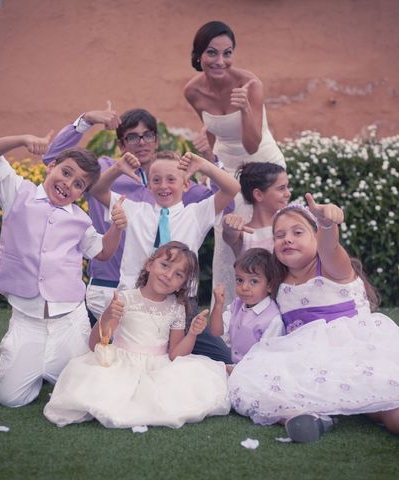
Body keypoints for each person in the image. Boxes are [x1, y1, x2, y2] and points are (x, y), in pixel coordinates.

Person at [228, 195, 399, 459]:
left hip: (355, 349)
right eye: (279, 235)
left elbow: (331, 247)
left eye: (298, 232)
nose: (287, 239)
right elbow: (242, 259)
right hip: (308, 355)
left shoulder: (330, 266)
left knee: (382, 400)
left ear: (316, 238)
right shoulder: (279, 279)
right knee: (279, 389)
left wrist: (328, 224)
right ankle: (311, 420)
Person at [43, 104, 232, 363]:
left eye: (148, 135)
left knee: (207, 357)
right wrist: (86, 120)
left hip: (176, 299)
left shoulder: (178, 178)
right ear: (121, 144)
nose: (141, 142)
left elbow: (227, 200)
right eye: (132, 136)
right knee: (87, 359)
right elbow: (53, 161)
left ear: (156, 140)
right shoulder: (107, 172)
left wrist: (210, 160)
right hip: (116, 293)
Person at [0, 132, 126, 408]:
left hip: (69, 321)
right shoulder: (16, 193)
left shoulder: (80, 220)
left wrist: (117, 226)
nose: (68, 184)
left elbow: (104, 252)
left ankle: (57, 368)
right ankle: (36, 365)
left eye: (78, 184)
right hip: (26, 319)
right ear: (51, 166)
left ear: (82, 193)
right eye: (65, 172)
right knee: (11, 399)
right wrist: (22, 139)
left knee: (86, 395)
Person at [43, 241, 231, 428]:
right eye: (164, 265)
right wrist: (107, 316)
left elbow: (175, 354)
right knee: (103, 390)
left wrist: (192, 334)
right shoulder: (125, 299)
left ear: (181, 285)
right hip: (122, 361)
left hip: (158, 364)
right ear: (149, 264)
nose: (168, 275)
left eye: (178, 274)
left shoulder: (177, 308)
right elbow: (96, 344)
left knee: (176, 394)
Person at [183, 20, 286, 308]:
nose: (220, 61)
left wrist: (245, 109)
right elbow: (213, 130)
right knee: (227, 238)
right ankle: (228, 316)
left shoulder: (250, 84)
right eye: (212, 53)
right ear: (199, 55)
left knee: (265, 237)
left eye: (227, 53)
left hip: (262, 166)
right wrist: (209, 156)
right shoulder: (192, 91)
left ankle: (275, 308)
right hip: (227, 170)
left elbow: (252, 144)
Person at [89, 150, 240, 294]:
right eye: (156, 180)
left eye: (171, 179)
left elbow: (232, 188)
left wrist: (204, 165)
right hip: (134, 296)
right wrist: (117, 168)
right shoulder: (134, 210)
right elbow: (97, 190)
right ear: (149, 187)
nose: (163, 185)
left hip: (179, 300)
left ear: (186, 184)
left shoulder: (196, 214)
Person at [209, 248, 284, 372]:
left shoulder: (272, 319)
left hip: (254, 373)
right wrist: (218, 305)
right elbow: (216, 332)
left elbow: (267, 360)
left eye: (253, 281)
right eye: (240, 280)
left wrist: (237, 371)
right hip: (231, 365)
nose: (244, 287)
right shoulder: (237, 305)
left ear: (270, 285)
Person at [222, 162, 291, 256]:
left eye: (287, 187)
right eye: (281, 188)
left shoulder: (292, 226)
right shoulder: (244, 235)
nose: (288, 194)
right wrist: (228, 225)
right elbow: (229, 233)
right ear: (258, 195)